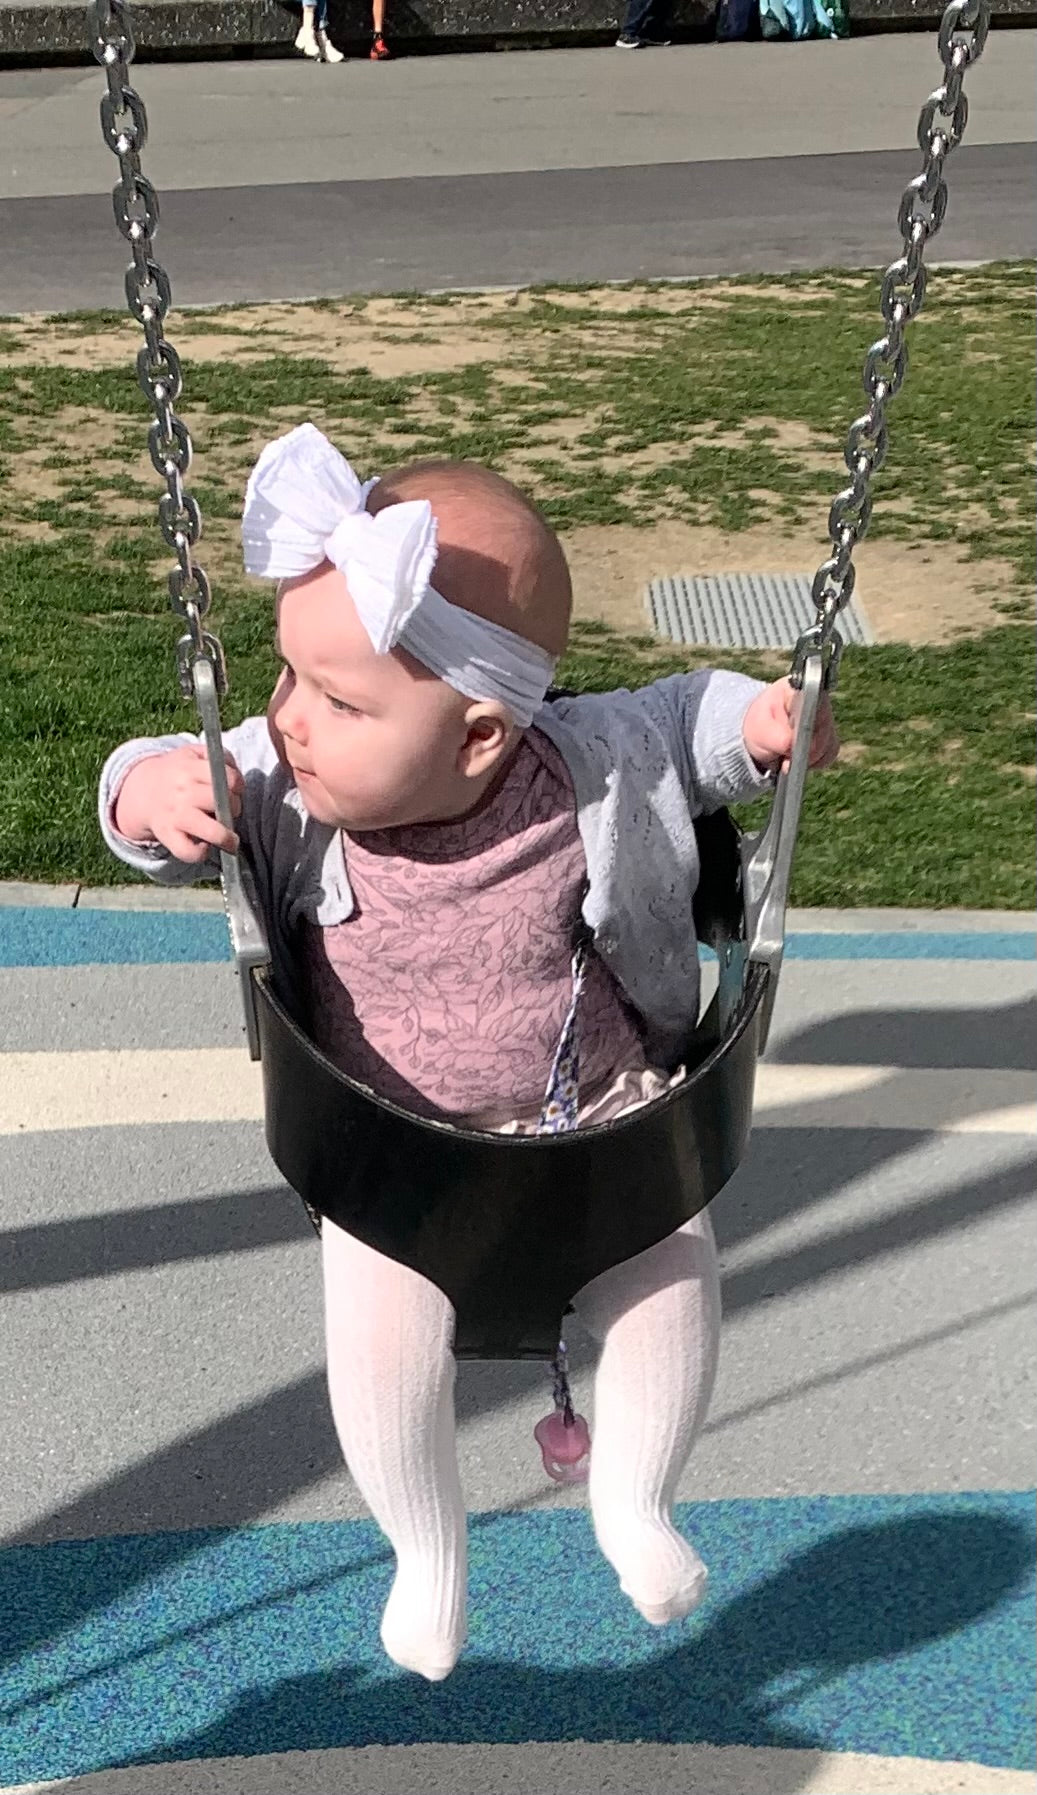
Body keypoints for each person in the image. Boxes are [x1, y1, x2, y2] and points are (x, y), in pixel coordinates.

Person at [98, 424, 839, 1683]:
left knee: (668, 1284)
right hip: (388, 1147)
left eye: (339, 700)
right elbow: (143, 781)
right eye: (285, 677)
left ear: (481, 735)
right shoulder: (281, 780)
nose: (290, 720)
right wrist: (149, 793)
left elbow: (685, 721)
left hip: (601, 1116)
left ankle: (635, 1500)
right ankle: (423, 1552)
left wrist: (764, 721)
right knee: (378, 1347)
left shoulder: (589, 762)